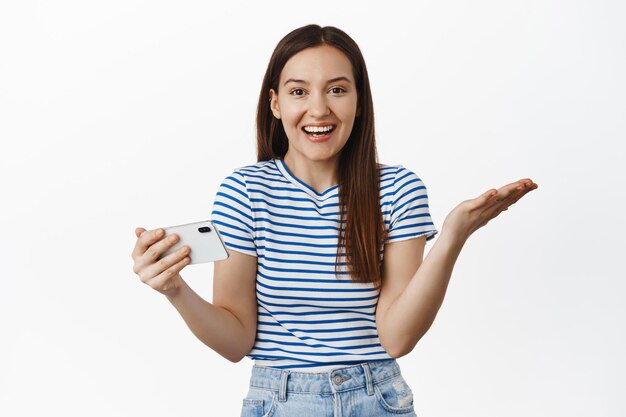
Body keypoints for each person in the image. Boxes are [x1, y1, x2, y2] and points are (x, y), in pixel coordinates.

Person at [131, 24, 537, 417]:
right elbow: (236, 340)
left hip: (378, 399)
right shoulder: (245, 191)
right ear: (276, 104)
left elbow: (397, 338)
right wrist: (175, 290)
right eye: (298, 92)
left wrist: (452, 238)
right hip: (279, 400)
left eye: (337, 90)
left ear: (359, 102)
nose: (319, 109)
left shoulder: (398, 189)